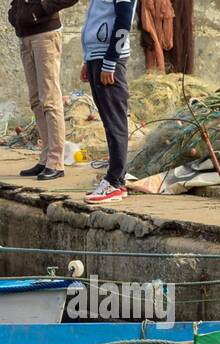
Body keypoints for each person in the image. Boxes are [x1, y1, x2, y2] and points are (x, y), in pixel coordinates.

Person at [8, 0, 80, 181]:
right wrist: (15, 15)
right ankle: (45, 158)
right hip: (26, 36)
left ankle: (56, 163)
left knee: (50, 99)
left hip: (45, 35)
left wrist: (40, 9)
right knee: (35, 99)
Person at [82, 0, 140, 203]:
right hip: (96, 57)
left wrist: (110, 61)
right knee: (109, 121)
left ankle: (115, 182)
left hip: (109, 59)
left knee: (115, 122)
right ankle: (116, 181)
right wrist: (87, 59)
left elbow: (123, 21)